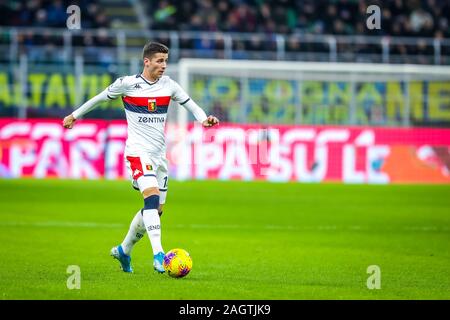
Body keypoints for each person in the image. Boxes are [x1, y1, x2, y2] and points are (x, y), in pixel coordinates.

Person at [62, 42, 219, 273]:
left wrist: (204, 119)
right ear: (146, 61)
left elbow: (190, 104)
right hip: (137, 152)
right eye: (159, 61)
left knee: (156, 210)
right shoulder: (127, 84)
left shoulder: (169, 86)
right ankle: (159, 255)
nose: (163, 65)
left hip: (159, 156)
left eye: (165, 61)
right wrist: (74, 115)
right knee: (151, 200)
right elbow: (99, 98)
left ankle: (124, 250)